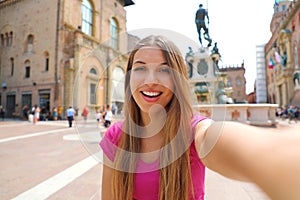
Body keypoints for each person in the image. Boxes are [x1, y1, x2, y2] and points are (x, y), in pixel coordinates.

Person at [100, 35, 300, 200]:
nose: (151, 80)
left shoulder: (195, 131)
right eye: (140, 68)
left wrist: (276, 155)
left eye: (164, 70)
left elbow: (216, 138)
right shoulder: (116, 136)